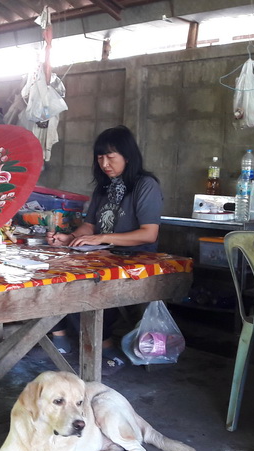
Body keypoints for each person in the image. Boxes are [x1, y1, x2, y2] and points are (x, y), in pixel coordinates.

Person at [45, 125, 163, 374]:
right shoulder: (103, 188)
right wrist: (68, 239)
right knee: (56, 273)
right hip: (103, 256)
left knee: (85, 285)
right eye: (100, 158)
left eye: (111, 157)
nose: (105, 164)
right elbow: (88, 226)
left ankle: (105, 345)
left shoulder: (145, 185)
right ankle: (60, 333)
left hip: (137, 260)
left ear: (127, 157)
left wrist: (102, 238)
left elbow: (149, 233)